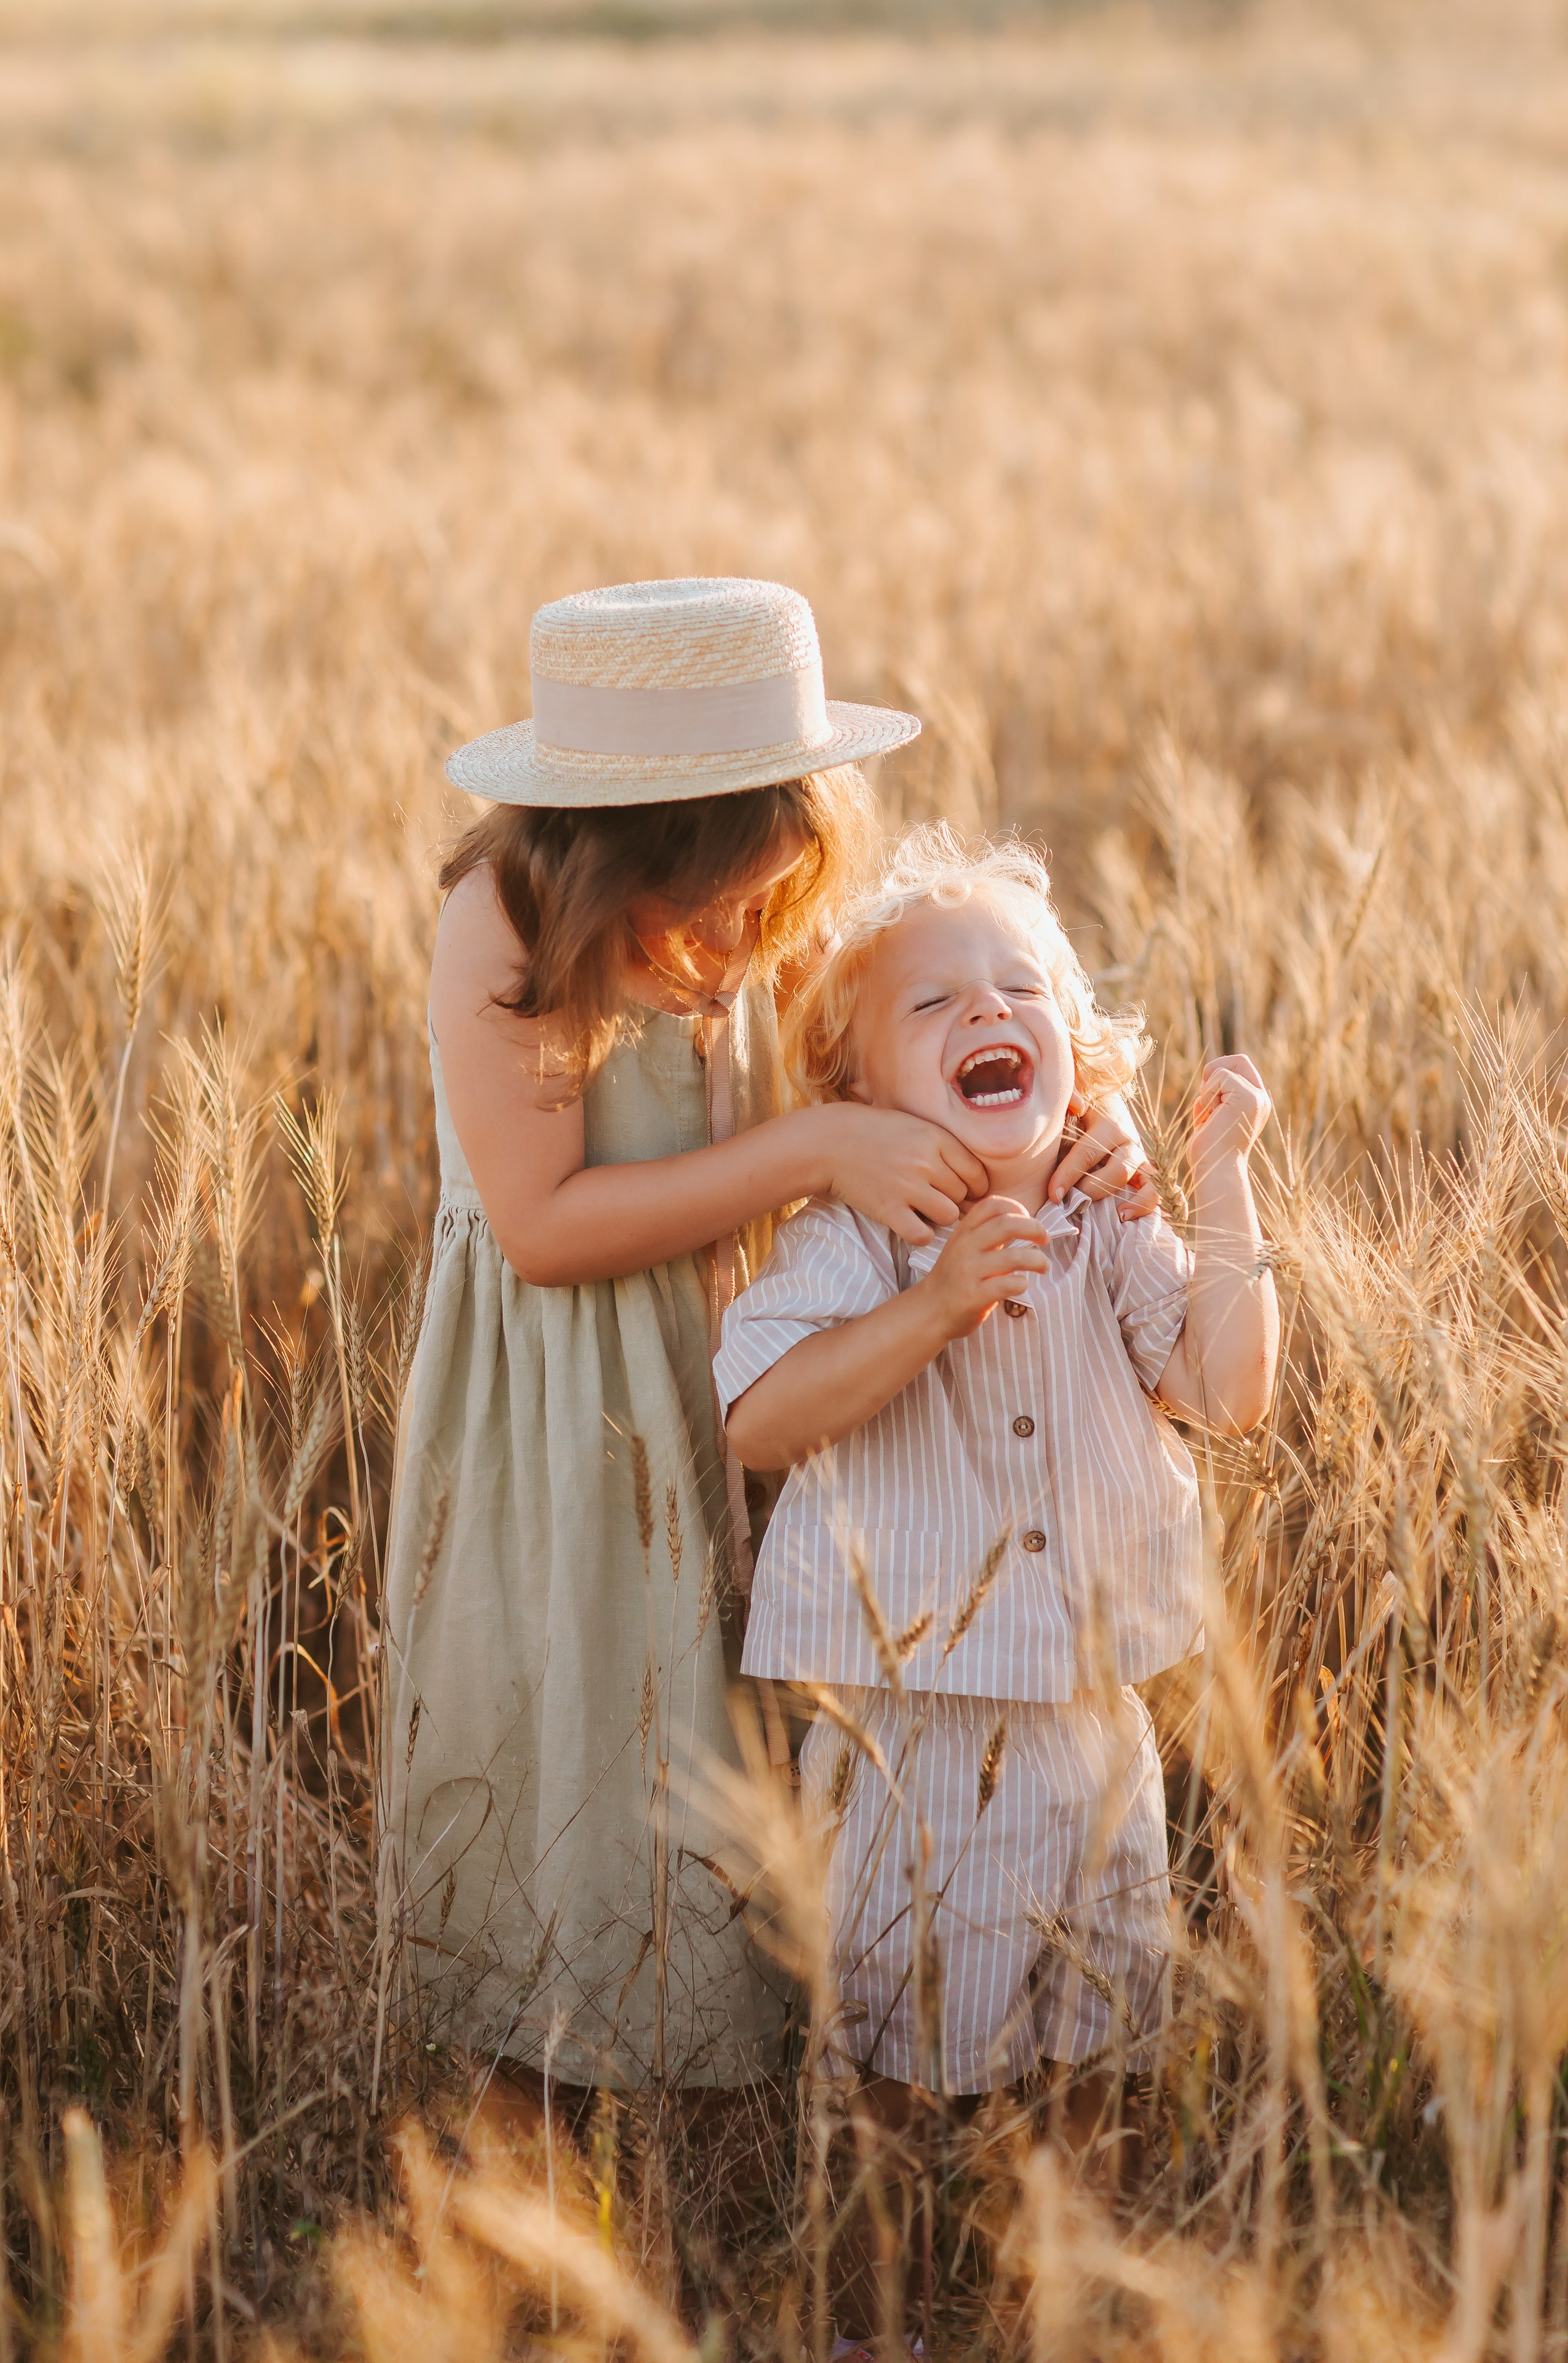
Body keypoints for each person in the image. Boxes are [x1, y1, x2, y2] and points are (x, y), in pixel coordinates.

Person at [382, 581, 1155, 2107]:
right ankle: (551, 2048)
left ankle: (707, 2013)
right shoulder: (510, 926)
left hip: (727, 1346)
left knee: (702, 1696)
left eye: (772, 904)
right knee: (582, 1682)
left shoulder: (752, 900)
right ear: (620, 853)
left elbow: (901, 1053)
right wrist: (816, 1158)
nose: (747, 948)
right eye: (718, 911)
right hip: (563, 1383)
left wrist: (1089, 1121)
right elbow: (542, 1227)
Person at [715, 823, 1278, 2336]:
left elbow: (1226, 1389)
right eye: (933, 1003)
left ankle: (1068, 2304)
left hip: (1088, 1741)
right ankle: (868, 2308)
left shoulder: (1114, 1223)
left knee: (1088, 2061)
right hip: (903, 1744)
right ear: (855, 1095)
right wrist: (935, 1308)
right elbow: (762, 1417)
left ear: (1075, 1048)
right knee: (887, 2071)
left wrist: (1213, 1189)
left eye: (1021, 988)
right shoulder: (855, 1240)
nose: (986, 1015)